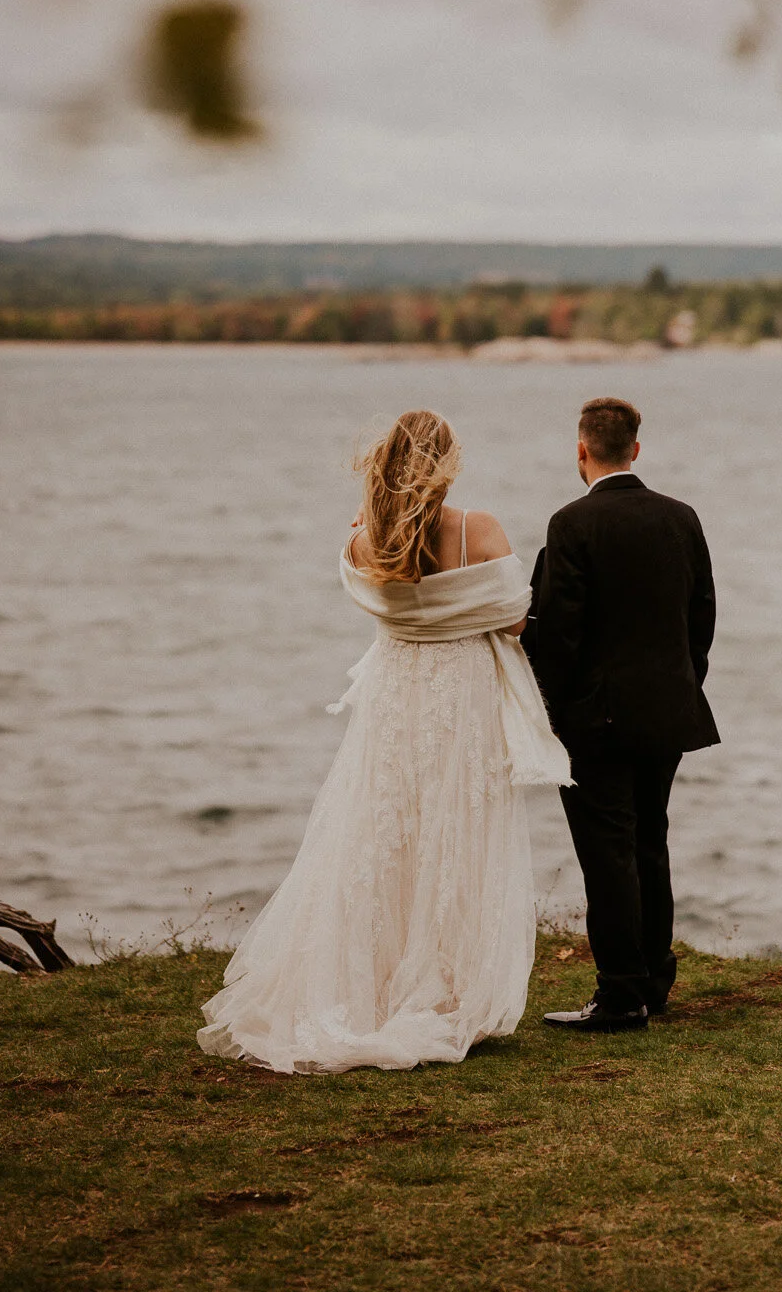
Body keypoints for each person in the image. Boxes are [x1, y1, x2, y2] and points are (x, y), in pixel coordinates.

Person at [198, 409, 569, 1073]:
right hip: (457, 696)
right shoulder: (475, 529)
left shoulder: (361, 542)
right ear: (446, 465)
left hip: (396, 695)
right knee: (454, 834)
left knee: (380, 834)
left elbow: (379, 597)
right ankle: (444, 989)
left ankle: (368, 986)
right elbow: (514, 619)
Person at [526, 396, 718, 1031]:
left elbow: (556, 633)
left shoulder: (571, 525)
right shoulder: (681, 518)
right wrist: (683, 686)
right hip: (668, 713)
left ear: (582, 450)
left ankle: (619, 997)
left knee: (608, 853)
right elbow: (702, 617)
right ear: (636, 448)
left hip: (596, 721)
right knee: (649, 842)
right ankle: (652, 983)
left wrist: (557, 713)